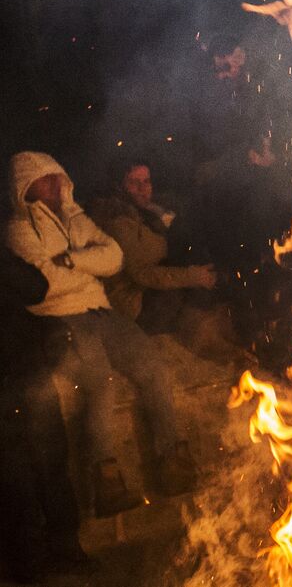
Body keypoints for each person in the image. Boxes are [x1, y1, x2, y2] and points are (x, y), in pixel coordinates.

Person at [5, 151, 197, 516]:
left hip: (101, 311)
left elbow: (115, 258)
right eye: (45, 178)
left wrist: (73, 261)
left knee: (151, 364)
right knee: (99, 382)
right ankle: (107, 481)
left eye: (57, 176)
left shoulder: (77, 219)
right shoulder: (19, 229)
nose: (55, 183)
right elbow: (43, 284)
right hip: (62, 317)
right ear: (25, 186)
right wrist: (82, 268)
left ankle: (172, 460)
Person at [0, 247, 90, 582]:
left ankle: (67, 550)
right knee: (15, 480)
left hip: (30, 375)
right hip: (6, 387)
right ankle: (28, 566)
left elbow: (36, 286)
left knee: (53, 466)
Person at [90, 159, 229, 354]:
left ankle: (217, 326)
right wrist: (192, 276)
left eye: (146, 181)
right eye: (133, 182)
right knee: (184, 290)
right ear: (119, 186)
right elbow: (142, 274)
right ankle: (198, 339)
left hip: (146, 286)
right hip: (131, 301)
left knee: (206, 257)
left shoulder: (148, 211)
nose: (142, 188)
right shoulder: (118, 222)